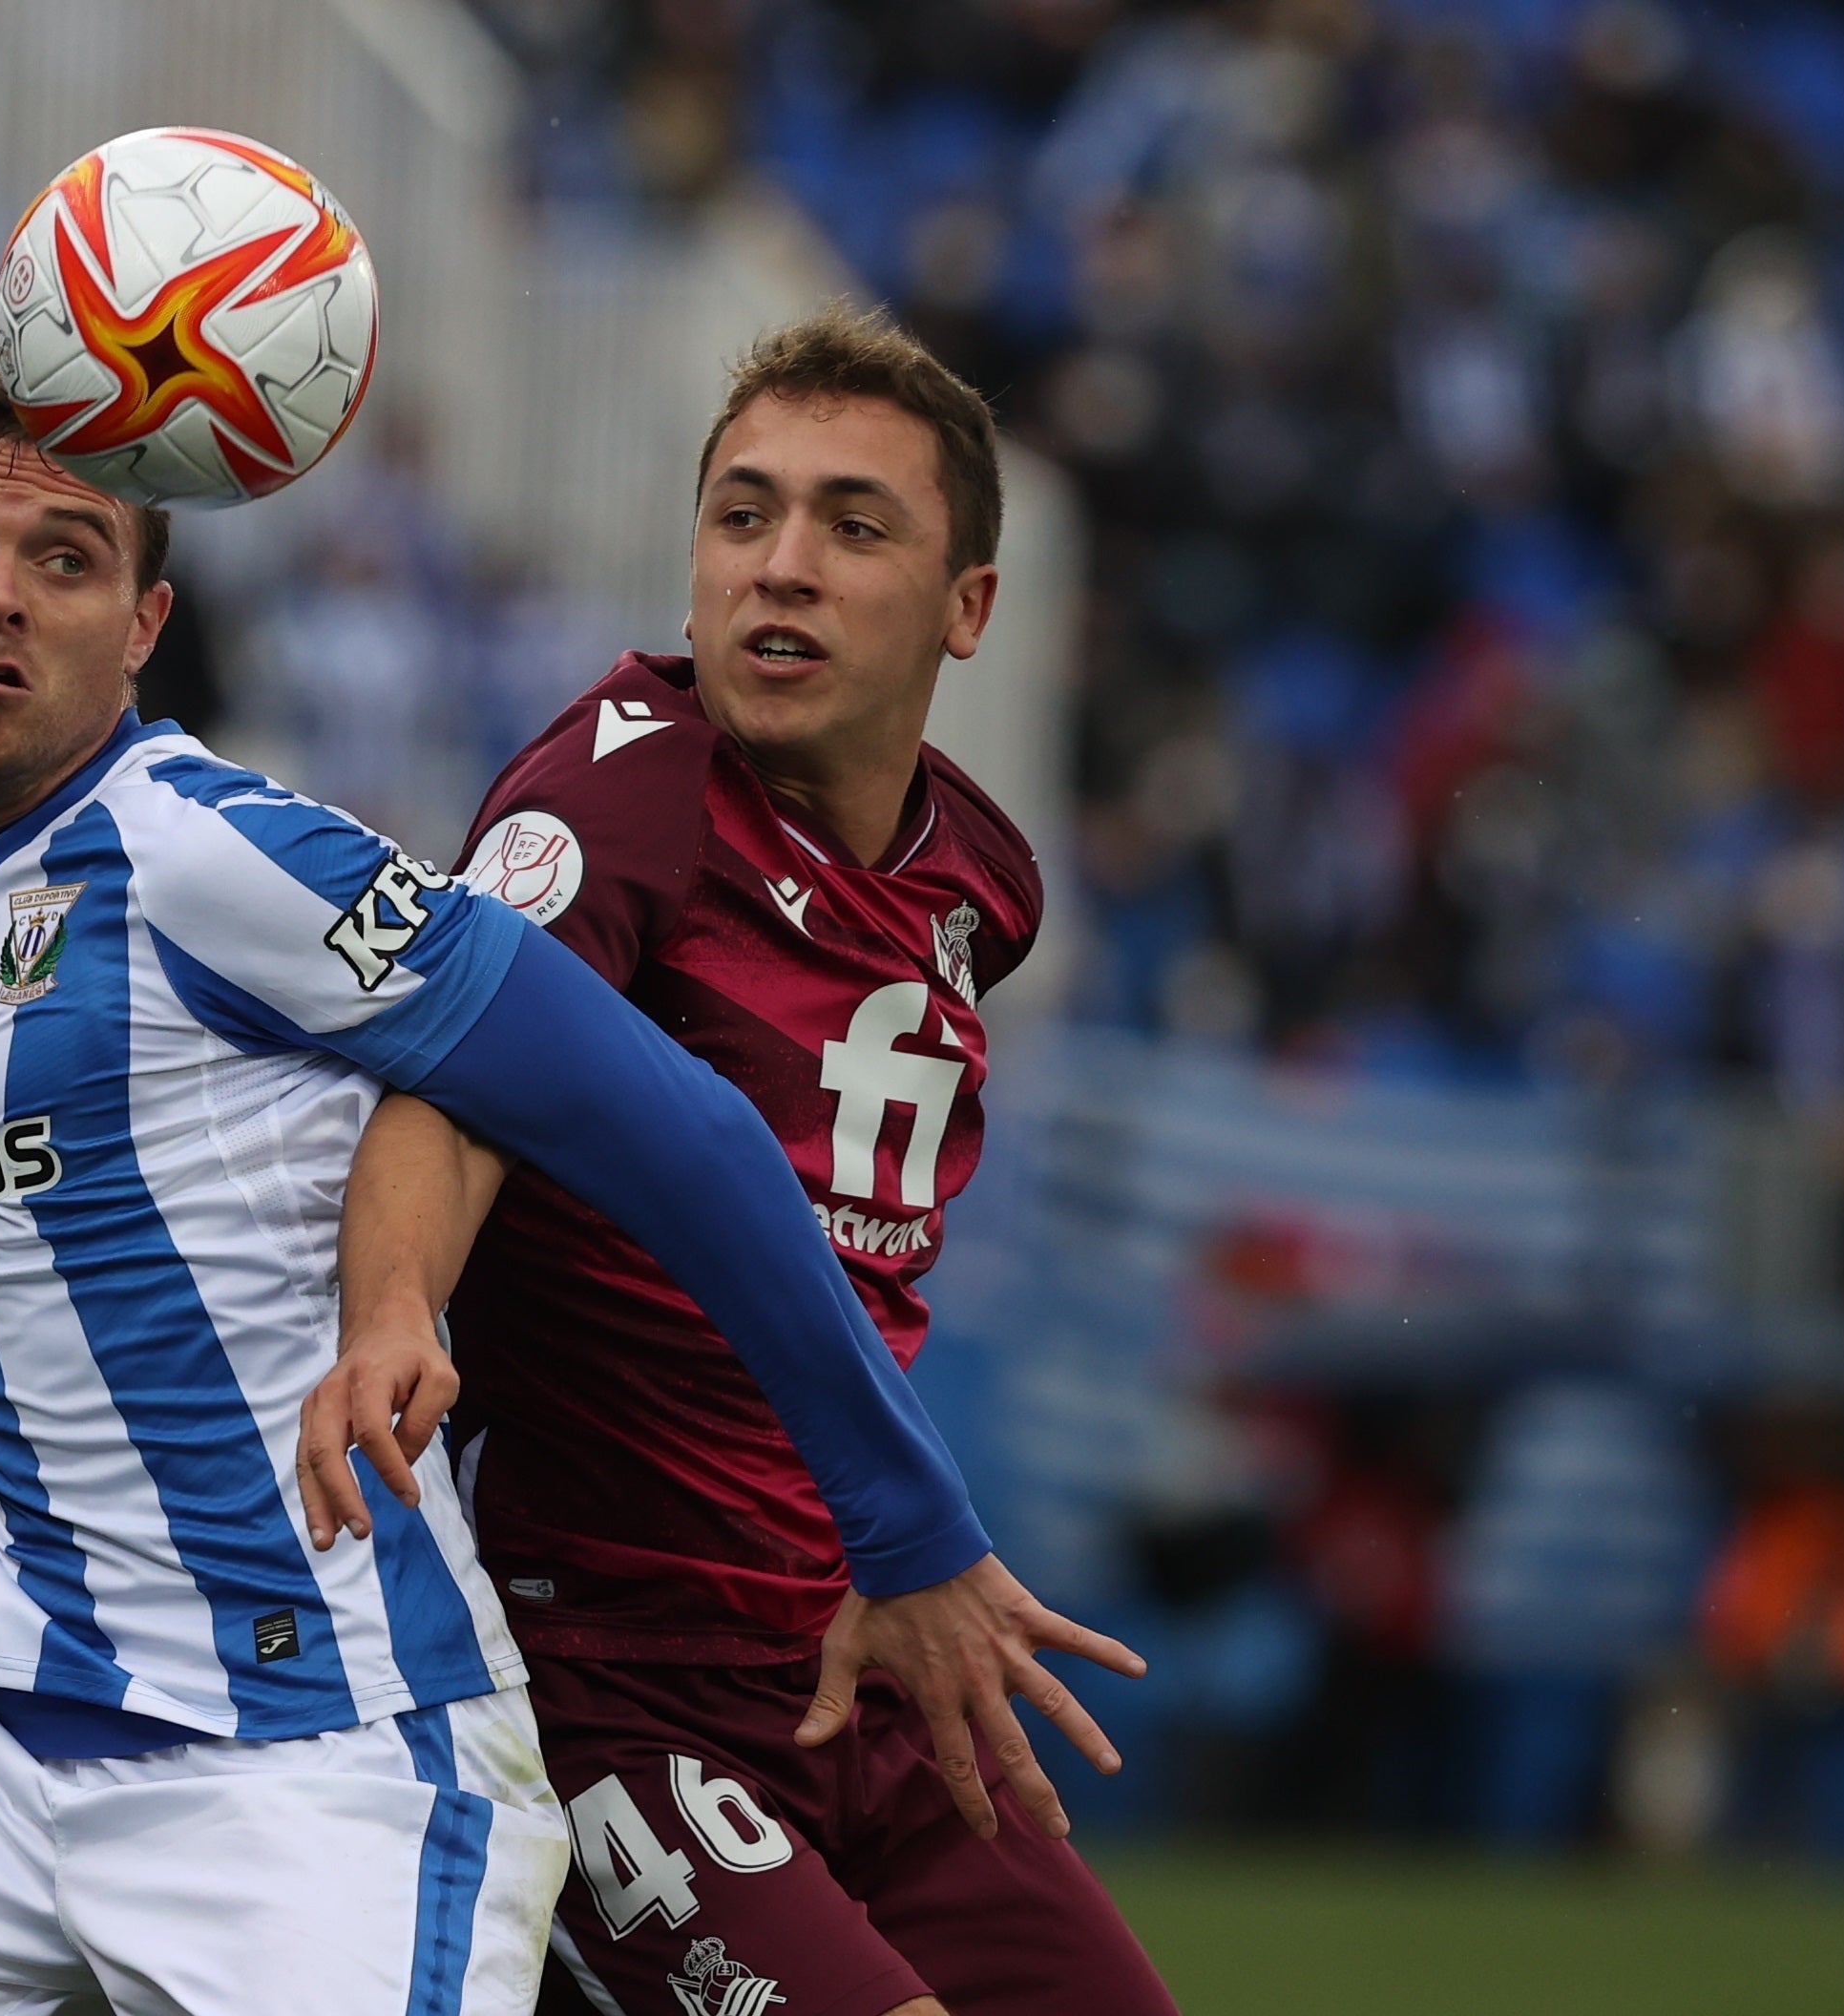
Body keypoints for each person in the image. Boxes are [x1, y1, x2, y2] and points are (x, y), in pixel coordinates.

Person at [0, 355, 1128, 2016]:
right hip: (29, 1737)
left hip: (319, 1755)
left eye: (64, 556)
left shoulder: (205, 844)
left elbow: (589, 1105)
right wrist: (396, 1301)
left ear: (148, 621)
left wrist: (902, 1516)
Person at [301, 308, 1178, 2016]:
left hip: (865, 1647)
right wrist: (395, 1304)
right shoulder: (620, 795)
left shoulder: (975, 887)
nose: (781, 569)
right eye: (741, 516)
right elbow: (457, 1079)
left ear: (969, 607)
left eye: (855, 527)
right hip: (611, 1681)